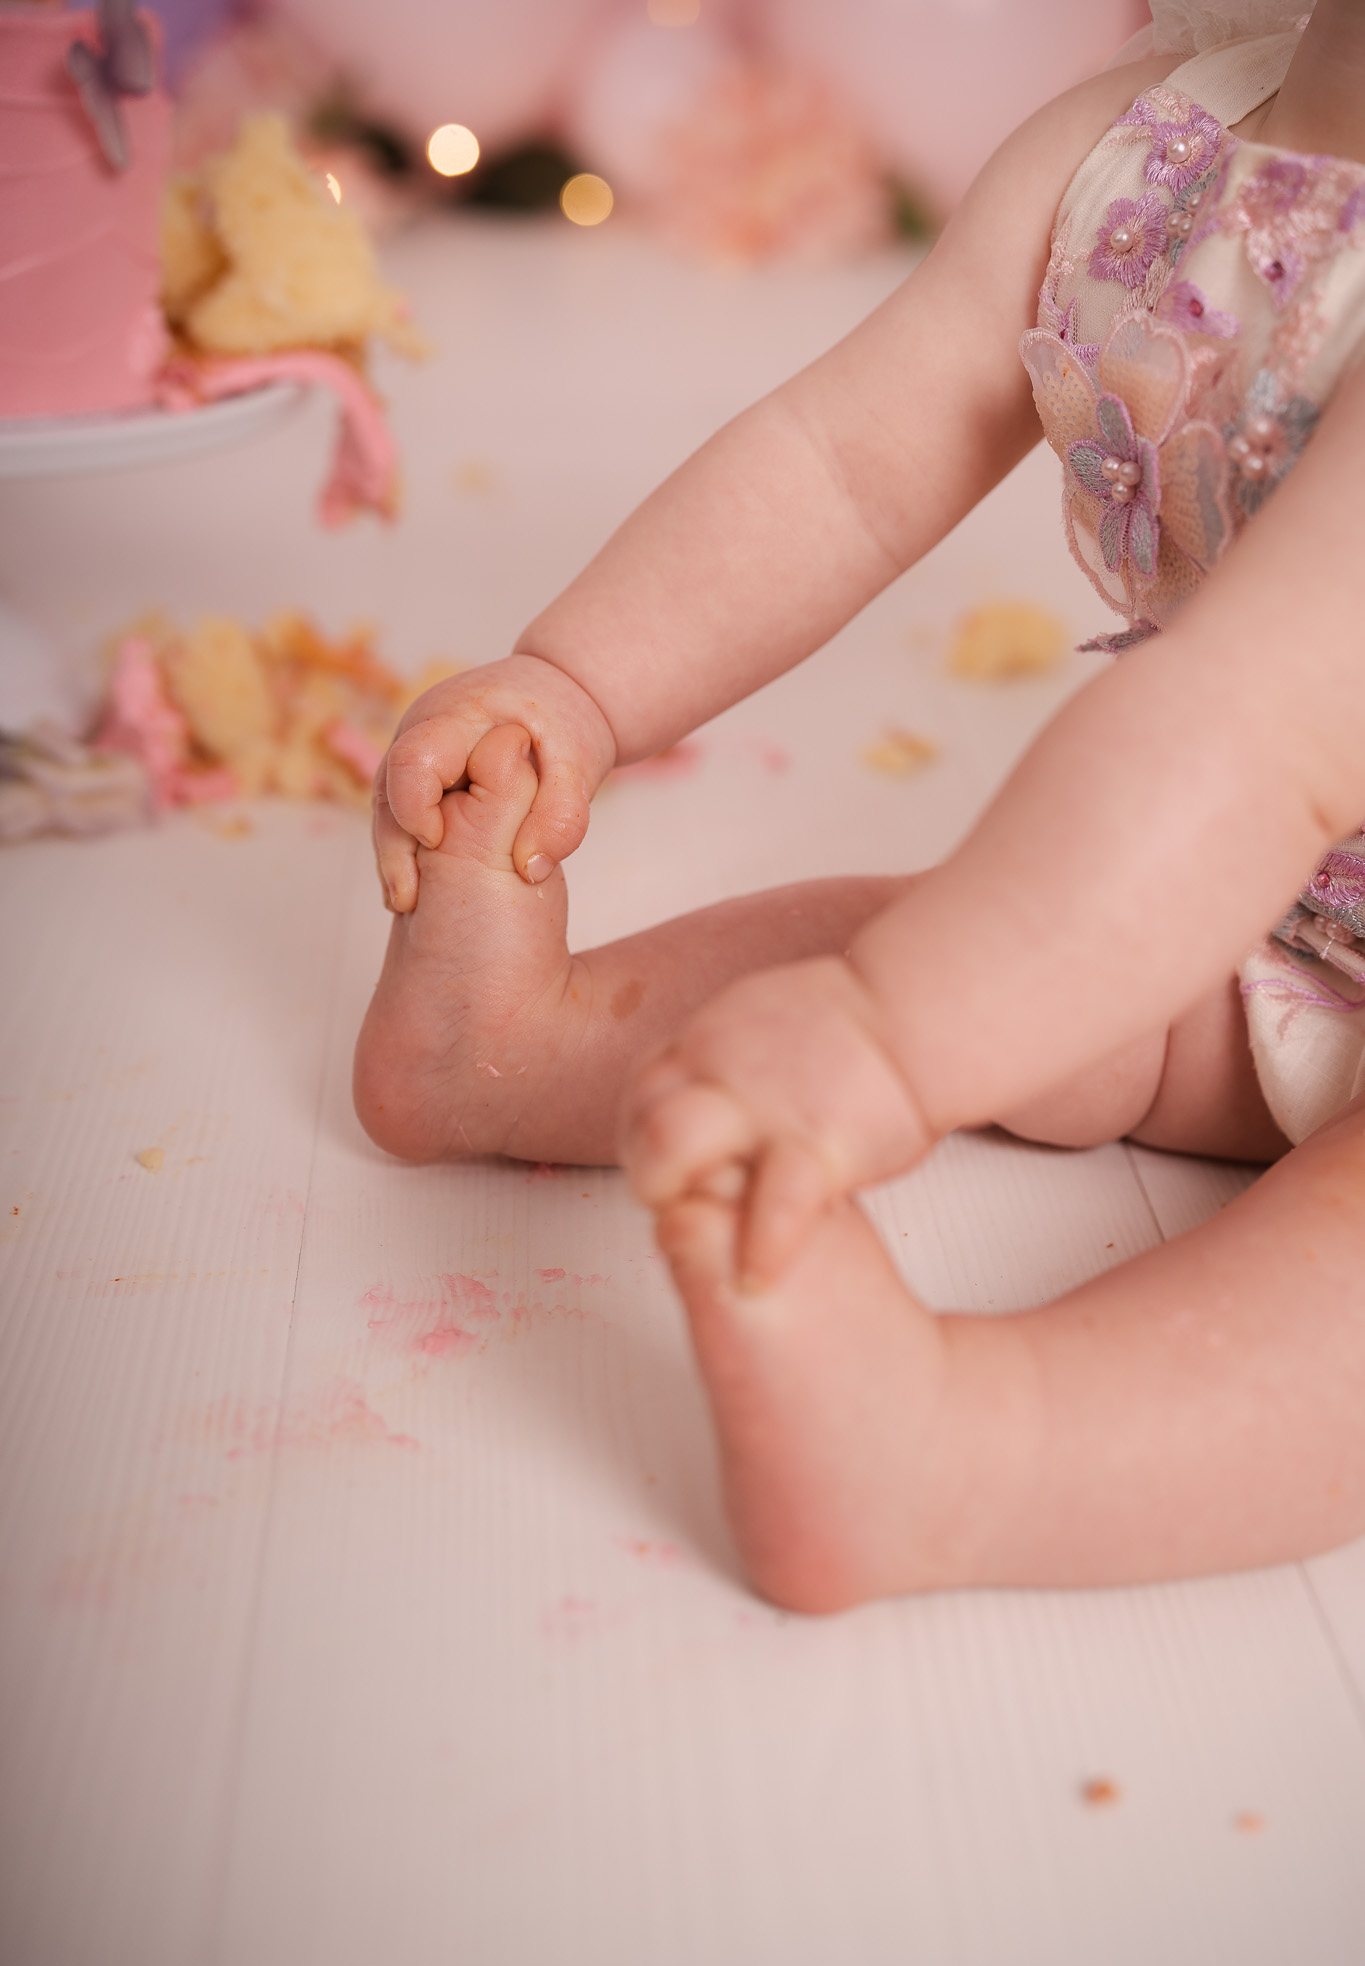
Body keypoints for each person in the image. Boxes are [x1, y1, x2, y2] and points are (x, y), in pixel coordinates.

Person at [355, 0, 1365, 1612]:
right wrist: (582, 690)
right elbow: (841, 460)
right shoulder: (1140, 159)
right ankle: (517, 1049)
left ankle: (965, 1457)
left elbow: (1253, 731)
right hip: (1279, 901)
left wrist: (895, 1045)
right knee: (985, 955)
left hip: (1257, 795)